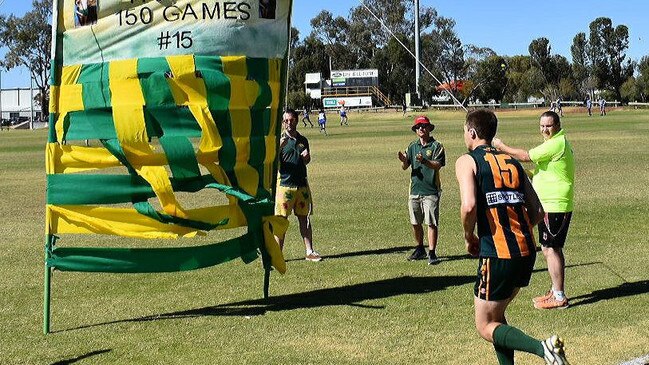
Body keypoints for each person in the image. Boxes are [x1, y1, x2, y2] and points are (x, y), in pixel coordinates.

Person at [456, 109, 569, 365]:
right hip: (526, 251)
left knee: (485, 325)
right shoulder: (512, 162)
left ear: (472, 133)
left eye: (464, 132)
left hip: (497, 254)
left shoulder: (467, 161)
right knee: (496, 316)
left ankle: (544, 349)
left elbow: (469, 206)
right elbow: (538, 211)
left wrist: (468, 237)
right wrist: (516, 229)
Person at [493, 111, 575, 310]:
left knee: (550, 249)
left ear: (557, 126)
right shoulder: (553, 144)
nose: (545, 129)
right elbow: (536, 172)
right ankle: (555, 290)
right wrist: (515, 165)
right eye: (542, 126)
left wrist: (501, 146)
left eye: (548, 126)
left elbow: (526, 156)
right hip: (549, 204)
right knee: (550, 248)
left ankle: (559, 295)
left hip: (555, 204)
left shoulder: (556, 143)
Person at [275, 109, 322, 262]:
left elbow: (307, 161)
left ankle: (310, 251)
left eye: (291, 120)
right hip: (285, 186)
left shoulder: (303, 140)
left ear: (296, 120)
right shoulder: (279, 141)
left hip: (302, 186)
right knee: (281, 221)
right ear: (283, 122)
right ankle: (277, 255)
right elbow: (272, 163)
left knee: (304, 219)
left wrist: (307, 158)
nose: (289, 123)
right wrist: (278, 149)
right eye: (286, 121)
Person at [397, 116, 445, 265]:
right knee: (415, 222)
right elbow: (405, 167)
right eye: (418, 127)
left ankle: (432, 252)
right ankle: (419, 249)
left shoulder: (437, 146)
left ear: (429, 128)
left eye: (424, 126)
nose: (421, 129)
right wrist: (404, 160)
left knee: (431, 222)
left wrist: (424, 161)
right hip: (415, 189)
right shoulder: (412, 146)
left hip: (431, 190)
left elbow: (437, 165)